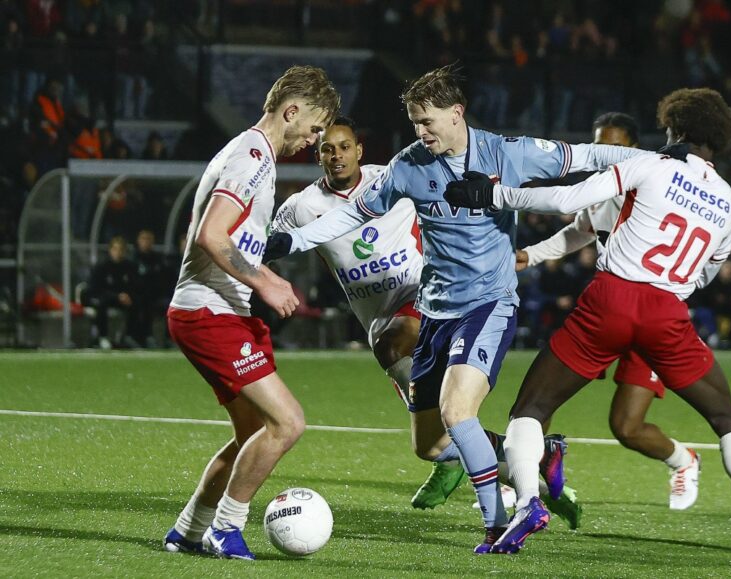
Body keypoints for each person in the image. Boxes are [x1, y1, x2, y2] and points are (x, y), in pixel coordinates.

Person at [264, 64, 643, 551]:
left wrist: (659, 161)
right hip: (437, 309)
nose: (420, 132)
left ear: (456, 114)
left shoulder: (506, 153)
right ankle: (536, 457)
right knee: (431, 444)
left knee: (457, 411)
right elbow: (355, 213)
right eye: (414, 123)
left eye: (427, 122)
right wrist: (290, 242)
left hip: (487, 304)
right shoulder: (408, 166)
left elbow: (585, 155)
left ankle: (499, 521)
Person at [445, 88, 731, 555]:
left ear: (674, 129)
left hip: (610, 300)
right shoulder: (728, 201)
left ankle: (529, 504)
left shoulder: (651, 164)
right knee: (726, 418)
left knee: (531, 409)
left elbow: (568, 198)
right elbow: (709, 270)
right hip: (668, 312)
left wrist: (494, 193)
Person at [269, 116, 583, 526]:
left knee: (396, 345)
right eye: (328, 148)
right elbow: (268, 244)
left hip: (428, 296)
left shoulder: (395, 176)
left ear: (359, 150)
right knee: (433, 442)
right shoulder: (301, 208)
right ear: (318, 155)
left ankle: (501, 510)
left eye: (345, 146)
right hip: (378, 319)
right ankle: (532, 467)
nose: (337, 155)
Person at [162, 65, 340, 560]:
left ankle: (188, 531)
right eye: (315, 127)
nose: (314, 139)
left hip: (220, 311)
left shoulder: (249, 152)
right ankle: (226, 527)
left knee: (252, 434)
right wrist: (264, 279)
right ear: (291, 111)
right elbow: (211, 235)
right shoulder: (253, 156)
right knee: (288, 423)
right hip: (208, 312)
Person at [514, 112, 701, 511]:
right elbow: (578, 231)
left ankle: (684, 460)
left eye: (615, 145)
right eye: (600, 145)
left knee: (627, 427)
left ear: (634, 148)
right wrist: (530, 255)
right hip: (607, 312)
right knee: (537, 402)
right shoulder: (602, 193)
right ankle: (523, 481)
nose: (606, 154)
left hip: (651, 318)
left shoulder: (662, 188)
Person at [85, 235, 139, 349]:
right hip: (106, 298)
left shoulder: (129, 267)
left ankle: (129, 336)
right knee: (101, 304)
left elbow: (135, 285)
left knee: (139, 303)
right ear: (110, 250)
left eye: (121, 250)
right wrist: (116, 296)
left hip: (123, 299)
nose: (118, 252)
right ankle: (103, 337)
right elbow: (96, 288)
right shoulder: (101, 267)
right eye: (115, 249)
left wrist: (128, 296)